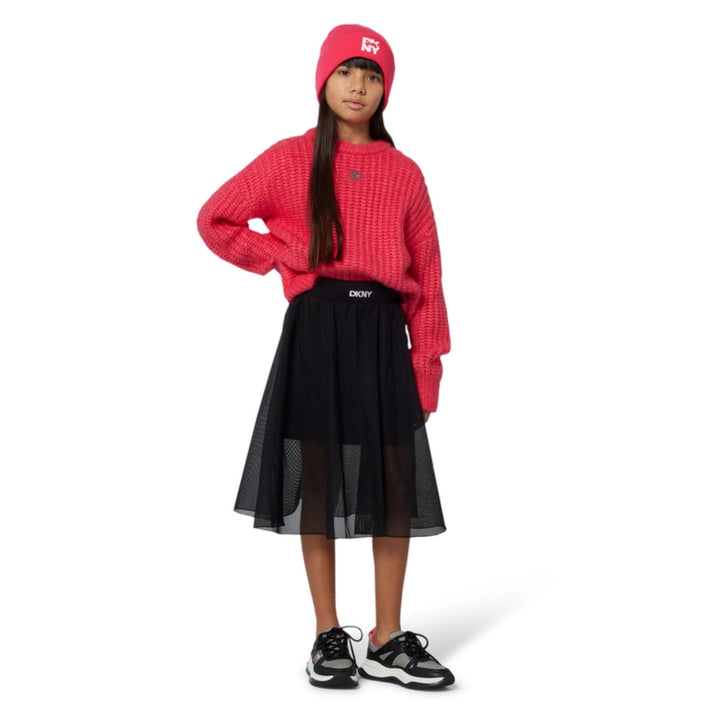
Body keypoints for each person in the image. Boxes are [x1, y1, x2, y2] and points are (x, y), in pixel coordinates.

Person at [197, 24, 453, 690]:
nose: (358, 86)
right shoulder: (291, 159)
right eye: (346, 71)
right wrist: (284, 257)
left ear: (385, 91)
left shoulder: (405, 173)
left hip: (383, 333)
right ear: (323, 80)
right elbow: (215, 219)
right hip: (317, 329)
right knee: (319, 478)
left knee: (394, 482)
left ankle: (388, 638)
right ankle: (327, 633)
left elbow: (428, 276)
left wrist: (426, 367)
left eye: (372, 75)